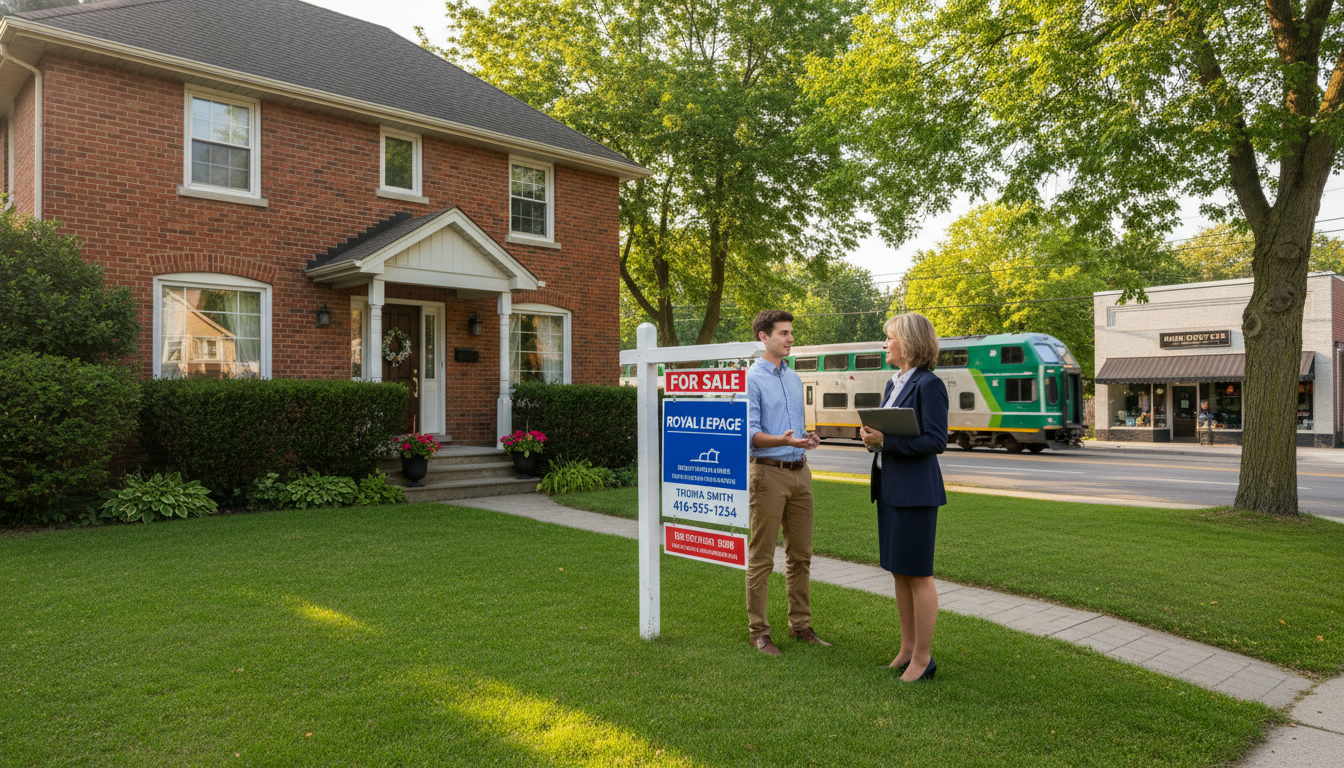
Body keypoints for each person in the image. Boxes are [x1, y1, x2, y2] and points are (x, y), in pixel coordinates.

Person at [859, 312, 947, 682]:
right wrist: (872, 440)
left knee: (918, 575)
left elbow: (935, 441)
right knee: (899, 572)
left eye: (889, 338)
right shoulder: (894, 383)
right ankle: (907, 650)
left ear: (908, 343)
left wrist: (887, 441)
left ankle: (923, 659)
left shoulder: (930, 385)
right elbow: (890, 437)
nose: (884, 344)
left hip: (916, 492)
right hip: (891, 488)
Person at [744, 309, 826, 655]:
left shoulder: (794, 378)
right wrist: (784, 440)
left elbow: (795, 428)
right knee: (762, 557)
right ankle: (759, 631)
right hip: (768, 474)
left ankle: (800, 625)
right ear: (764, 337)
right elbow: (749, 435)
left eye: (791, 333)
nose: (791, 339)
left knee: (801, 555)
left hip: (800, 473)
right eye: (783, 333)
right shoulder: (751, 378)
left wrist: (806, 440)